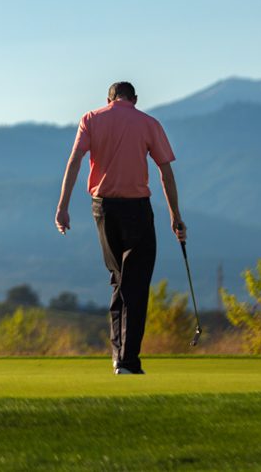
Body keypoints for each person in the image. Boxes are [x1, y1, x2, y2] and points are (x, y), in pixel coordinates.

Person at [55, 81, 186, 375]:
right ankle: (128, 361)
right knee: (136, 285)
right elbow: (165, 171)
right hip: (137, 209)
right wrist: (175, 215)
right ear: (135, 99)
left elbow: (74, 162)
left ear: (108, 99)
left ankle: (118, 356)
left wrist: (62, 207)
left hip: (102, 209)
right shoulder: (148, 123)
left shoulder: (91, 119)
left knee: (118, 279)